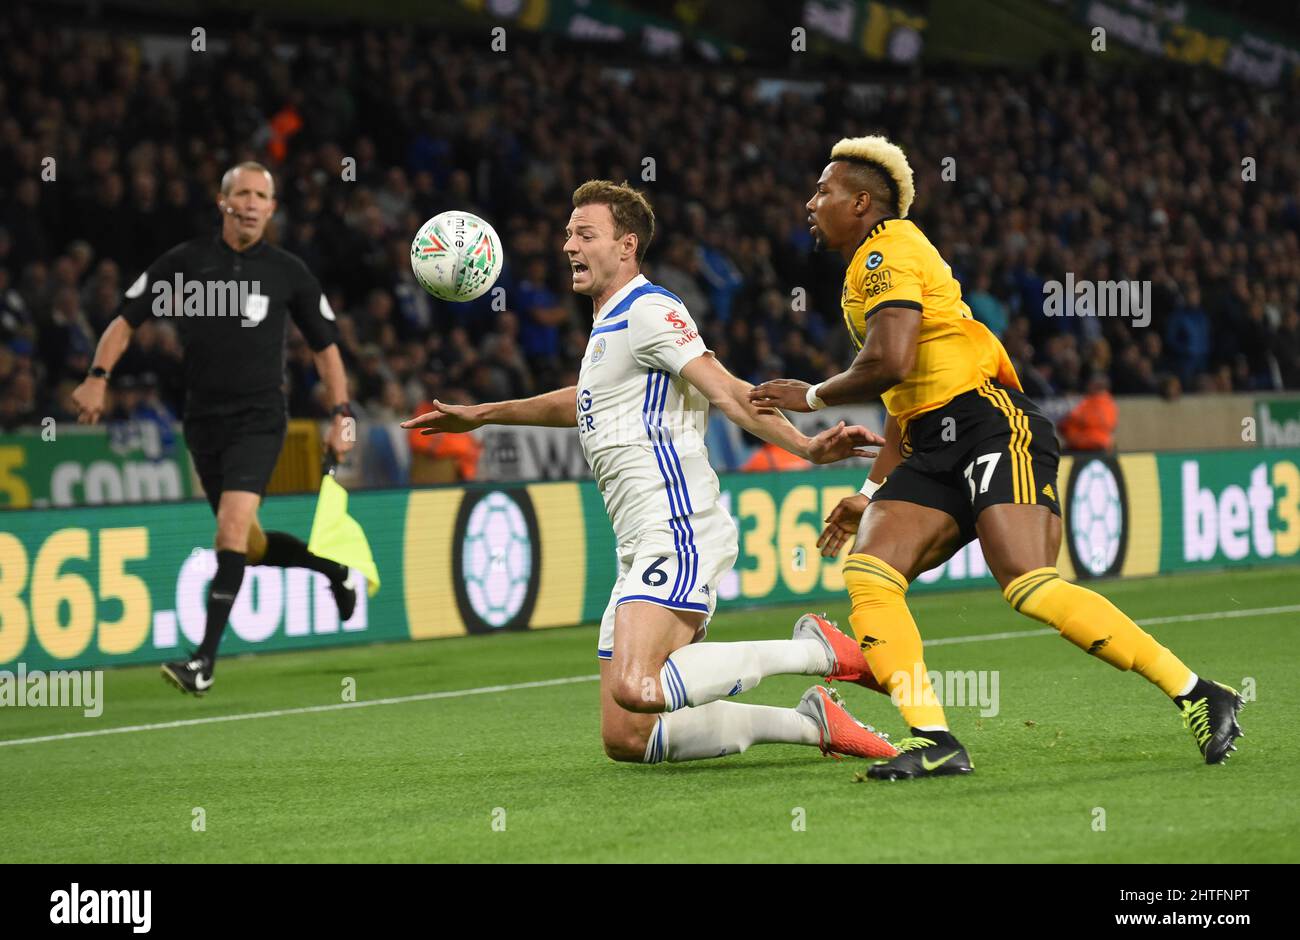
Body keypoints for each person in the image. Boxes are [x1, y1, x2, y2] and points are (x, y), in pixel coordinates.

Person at [750, 137, 1244, 778]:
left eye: (824, 190)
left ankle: (1198, 692)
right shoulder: (867, 271)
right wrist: (870, 496)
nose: (811, 201)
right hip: (932, 441)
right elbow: (904, 395)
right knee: (870, 571)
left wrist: (810, 395)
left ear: (863, 202)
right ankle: (934, 740)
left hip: (989, 425)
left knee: (1029, 586)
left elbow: (889, 363)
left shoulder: (887, 246)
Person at [403, 180, 896, 765]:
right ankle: (809, 723)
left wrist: (806, 447)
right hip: (638, 541)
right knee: (628, 736)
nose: (568, 246)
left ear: (626, 245)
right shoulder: (612, 324)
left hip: (675, 522)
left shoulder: (650, 310)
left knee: (638, 686)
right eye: (567, 233)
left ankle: (815, 652)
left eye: (585, 234)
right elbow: (585, 398)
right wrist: (484, 414)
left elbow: (728, 393)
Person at [72, 161, 358, 696]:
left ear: (272, 209)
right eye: (241, 193)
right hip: (201, 422)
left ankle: (202, 663)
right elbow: (124, 319)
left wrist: (343, 413)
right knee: (246, 543)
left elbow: (326, 347)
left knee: (228, 531)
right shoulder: (186, 263)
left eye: (260, 196)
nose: (250, 203)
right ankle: (332, 571)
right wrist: (97, 376)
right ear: (222, 201)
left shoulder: (288, 271)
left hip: (259, 418)